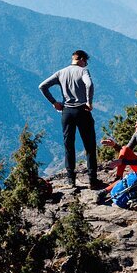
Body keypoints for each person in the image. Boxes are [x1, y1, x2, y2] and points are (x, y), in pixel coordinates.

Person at [39, 49, 100, 188]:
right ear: (82, 59)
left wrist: (54, 102)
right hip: (82, 110)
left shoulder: (61, 72)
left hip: (67, 112)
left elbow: (42, 86)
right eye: (85, 62)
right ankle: (92, 180)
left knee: (69, 145)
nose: (86, 64)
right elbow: (89, 84)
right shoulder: (83, 71)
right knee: (89, 145)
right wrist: (89, 102)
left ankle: (71, 179)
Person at [97, 114, 137, 203]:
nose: (135, 126)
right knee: (125, 148)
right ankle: (117, 178)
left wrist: (122, 161)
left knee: (129, 177)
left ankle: (108, 188)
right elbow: (125, 151)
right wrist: (115, 145)